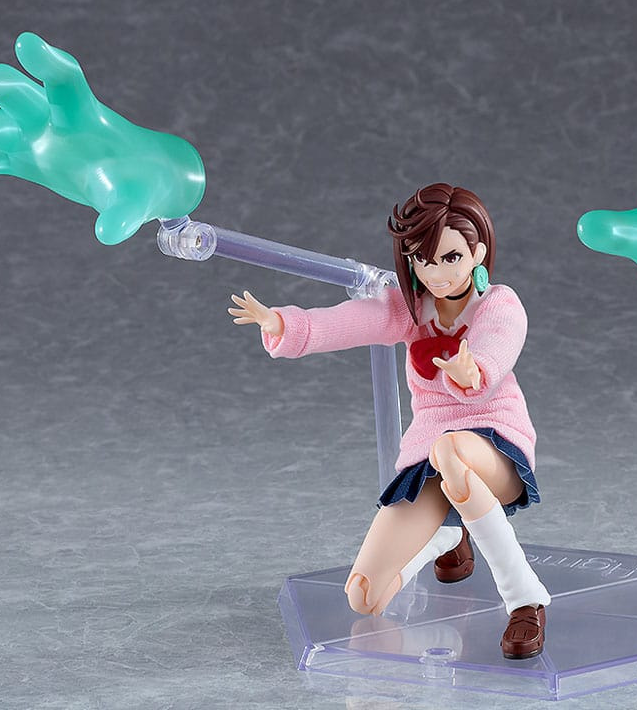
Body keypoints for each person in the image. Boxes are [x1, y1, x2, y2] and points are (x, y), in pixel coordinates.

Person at [229, 183, 551, 659]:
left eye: (450, 257)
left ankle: (524, 599)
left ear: (478, 252)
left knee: (452, 450)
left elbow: (498, 343)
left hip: (495, 440)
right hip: (431, 457)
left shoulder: (498, 303)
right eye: (423, 260)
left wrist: (473, 370)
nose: (436, 273)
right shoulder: (411, 308)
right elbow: (351, 321)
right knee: (364, 596)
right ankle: (448, 535)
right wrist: (285, 324)